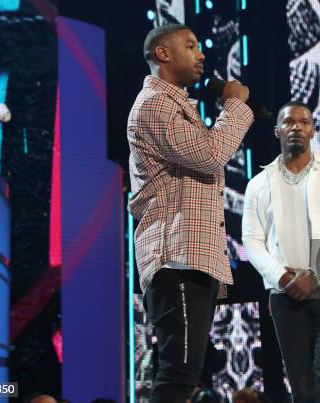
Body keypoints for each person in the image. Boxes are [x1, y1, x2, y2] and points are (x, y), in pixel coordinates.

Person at [127, 24, 253, 403]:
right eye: (190, 46)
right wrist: (235, 106)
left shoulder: (176, 106)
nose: (200, 55)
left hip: (192, 257)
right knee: (178, 373)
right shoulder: (155, 105)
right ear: (163, 54)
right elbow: (211, 154)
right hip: (175, 259)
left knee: (185, 372)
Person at [242, 101, 320, 403]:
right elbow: (252, 240)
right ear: (277, 131)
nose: (296, 127)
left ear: (313, 131)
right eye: (289, 122)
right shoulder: (258, 184)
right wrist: (283, 278)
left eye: (304, 122)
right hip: (284, 294)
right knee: (300, 384)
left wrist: (317, 275)